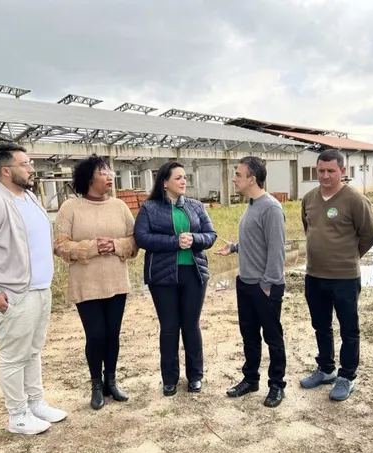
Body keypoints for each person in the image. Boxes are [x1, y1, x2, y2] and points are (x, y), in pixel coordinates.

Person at [0, 142, 67, 436]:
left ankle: (35, 403)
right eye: (25, 164)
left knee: (32, 351)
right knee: (14, 355)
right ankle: (17, 415)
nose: (31, 169)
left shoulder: (28, 198)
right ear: (6, 170)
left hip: (40, 290)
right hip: (14, 295)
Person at [54, 155, 138, 410]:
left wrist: (114, 244)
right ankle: (96, 385)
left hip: (116, 281)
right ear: (90, 177)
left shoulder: (120, 207)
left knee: (112, 334)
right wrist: (91, 247)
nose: (110, 176)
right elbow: (59, 245)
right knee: (96, 334)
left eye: (110, 171)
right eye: (103, 172)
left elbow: (135, 241)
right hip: (86, 283)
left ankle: (111, 381)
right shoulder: (70, 207)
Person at [134, 161, 218, 396]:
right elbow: (141, 238)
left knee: (191, 326)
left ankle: (195, 376)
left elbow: (211, 235)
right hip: (162, 277)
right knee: (169, 328)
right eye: (178, 178)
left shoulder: (196, 206)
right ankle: (169, 378)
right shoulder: (150, 208)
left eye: (184, 177)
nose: (183, 182)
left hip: (193, 273)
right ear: (165, 182)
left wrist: (195, 239)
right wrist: (174, 242)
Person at [298, 149, 373, 401]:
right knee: (321, 325)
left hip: (344, 278)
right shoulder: (309, 198)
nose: (325, 175)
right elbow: (309, 228)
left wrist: (348, 257)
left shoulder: (355, 200)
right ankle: (326, 368)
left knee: (348, 329)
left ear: (343, 171)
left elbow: (368, 236)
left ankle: (347, 376)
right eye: (321, 171)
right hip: (314, 276)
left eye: (331, 171)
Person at [214, 156, 287, 407]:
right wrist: (235, 247)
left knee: (273, 337)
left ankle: (277, 385)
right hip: (245, 282)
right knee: (249, 336)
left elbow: (277, 252)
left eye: (237, 174)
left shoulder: (271, 208)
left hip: (264, 286)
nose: (234, 179)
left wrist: (267, 284)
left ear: (252, 179)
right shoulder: (252, 205)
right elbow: (256, 241)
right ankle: (250, 379)